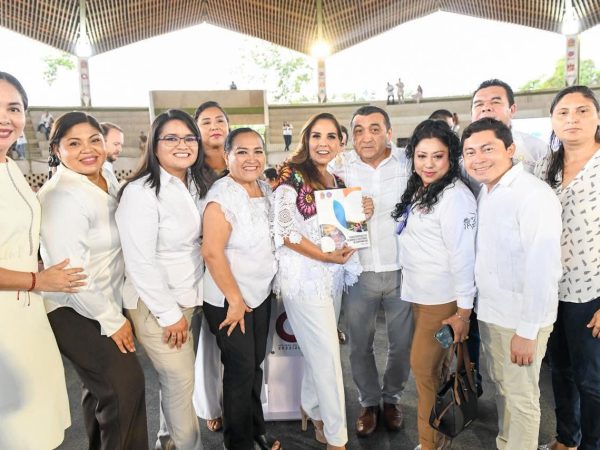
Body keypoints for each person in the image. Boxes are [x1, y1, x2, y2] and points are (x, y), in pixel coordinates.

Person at [38, 111, 148, 450]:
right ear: (56, 149)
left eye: (94, 140)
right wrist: (113, 321)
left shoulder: (105, 177)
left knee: (101, 392)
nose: (88, 149)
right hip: (73, 308)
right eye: (74, 143)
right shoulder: (60, 196)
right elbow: (72, 275)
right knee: (124, 387)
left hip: (104, 300)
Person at [462, 118, 562, 450]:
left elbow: (543, 267)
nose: (478, 158)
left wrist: (528, 330)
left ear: (510, 149)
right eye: (470, 152)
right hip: (492, 314)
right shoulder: (487, 191)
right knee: (504, 389)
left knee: (521, 398)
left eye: (487, 149)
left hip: (521, 320)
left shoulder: (533, 195)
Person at [116, 109, 209, 450]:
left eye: (189, 138)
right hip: (157, 306)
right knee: (181, 384)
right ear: (154, 145)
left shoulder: (194, 183)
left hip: (188, 298)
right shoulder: (141, 192)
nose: (182, 144)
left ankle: (167, 442)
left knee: (175, 384)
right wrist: (169, 315)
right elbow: (140, 262)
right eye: (171, 138)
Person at [272, 112, 364, 450]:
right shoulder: (291, 175)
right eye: (316, 136)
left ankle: (312, 408)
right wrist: (326, 257)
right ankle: (337, 438)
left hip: (331, 278)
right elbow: (285, 232)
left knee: (319, 351)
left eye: (330, 137)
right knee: (327, 356)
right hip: (304, 280)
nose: (323, 143)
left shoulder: (337, 181)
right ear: (306, 140)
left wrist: (360, 214)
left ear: (340, 143)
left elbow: (342, 232)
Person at [0, 71, 82, 450]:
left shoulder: (10, 166)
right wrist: (37, 281)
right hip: (9, 315)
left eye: (13, 108)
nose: (5, 118)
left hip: (26, 312)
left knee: (35, 424)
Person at [392, 119, 476, 450]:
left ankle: (428, 444)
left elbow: (463, 258)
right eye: (421, 156)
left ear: (450, 157)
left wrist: (463, 313)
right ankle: (438, 441)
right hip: (420, 294)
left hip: (442, 301)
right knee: (434, 372)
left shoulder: (455, 198)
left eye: (437, 156)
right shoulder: (423, 188)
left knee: (424, 373)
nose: (428, 164)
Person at [330, 105, 413, 438]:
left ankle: (391, 399)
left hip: (402, 270)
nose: (366, 137)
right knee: (359, 345)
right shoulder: (339, 165)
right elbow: (322, 207)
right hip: (358, 271)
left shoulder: (408, 162)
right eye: (359, 130)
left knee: (402, 345)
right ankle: (368, 401)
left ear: (389, 133)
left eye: (375, 129)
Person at [202, 127, 280, 450]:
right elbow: (211, 252)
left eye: (257, 151)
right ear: (227, 156)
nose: (251, 158)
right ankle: (238, 443)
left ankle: (255, 429)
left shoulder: (265, 188)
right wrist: (234, 300)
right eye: (242, 152)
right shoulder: (222, 195)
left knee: (254, 365)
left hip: (259, 295)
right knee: (240, 370)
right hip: (229, 299)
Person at [536, 86, 600, 450]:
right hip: (551, 289)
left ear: (597, 117)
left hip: (591, 294)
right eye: (563, 112)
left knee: (592, 380)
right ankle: (566, 439)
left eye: (582, 110)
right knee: (560, 370)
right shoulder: (546, 165)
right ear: (552, 120)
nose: (572, 119)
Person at [193, 100, 231, 432]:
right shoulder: (191, 172)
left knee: (242, 346)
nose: (214, 126)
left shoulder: (243, 163)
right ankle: (210, 406)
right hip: (207, 265)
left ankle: (242, 403)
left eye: (220, 120)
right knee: (209, 344)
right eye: (206, 122)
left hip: (245, 268)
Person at [471, 79, 548, 173]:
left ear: (512, 109)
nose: (486, 108)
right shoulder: (459, 153)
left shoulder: (537, 149)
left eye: (495, 102)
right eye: (479, 104)